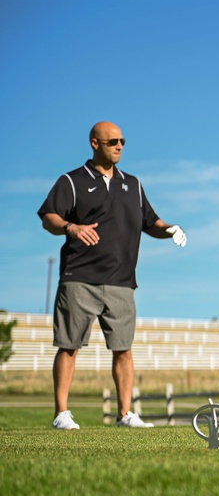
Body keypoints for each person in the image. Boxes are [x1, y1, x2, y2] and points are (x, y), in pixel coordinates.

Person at [37, 121, 187, 430]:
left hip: (122, 282)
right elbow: (49, 217)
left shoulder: (132, 184)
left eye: (122, 141)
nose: (119, 146)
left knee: (124, 349)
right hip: (79, 277)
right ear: (95, 143)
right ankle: (61, 414)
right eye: (112, 141)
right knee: (69, 346)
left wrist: (170, 228)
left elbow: (151, 221)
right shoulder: (71, 181)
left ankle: (124, 414)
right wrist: (71, 227)